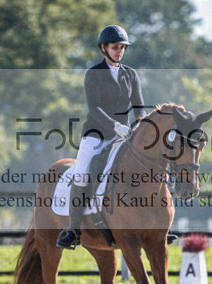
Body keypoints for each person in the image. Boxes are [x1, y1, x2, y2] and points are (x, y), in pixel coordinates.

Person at [57, 24, 146, 249]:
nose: (119, 51)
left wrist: (142, 127)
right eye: (115, 47)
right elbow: (94, 109)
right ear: (104, 48)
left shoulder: (131, 74)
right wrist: (115, 125)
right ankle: (73, 231)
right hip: (96, 135)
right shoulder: (93, 74)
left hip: (123, 136)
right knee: (81, 174)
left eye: (122, 47)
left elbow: (139, 107)